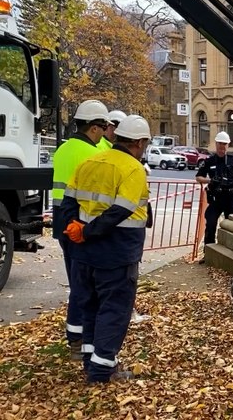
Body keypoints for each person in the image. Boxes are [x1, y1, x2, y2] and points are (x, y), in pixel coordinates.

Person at [60, 115, 152, 383]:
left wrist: (75, 231)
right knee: (114, 311)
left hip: (84, 252)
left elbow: (68, 203)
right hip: (117, 253)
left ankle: (91, 361)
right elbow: (119, 212)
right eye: (145, 142)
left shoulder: (89, 163)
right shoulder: (133, 169)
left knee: (90, 308)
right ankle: (101, 371)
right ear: (138, 142)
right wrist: (88, 232)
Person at [51, 99, 109, 360]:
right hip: (80, 224)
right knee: (83, 284)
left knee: (77, 281)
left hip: (62, 221)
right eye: (103, 127)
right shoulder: (92, 154)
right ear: (95, 128)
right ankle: (78, 339)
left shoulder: (63, 149)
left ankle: (78, 337)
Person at [195, 131, 233, 256]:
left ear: (228, 145)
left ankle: (231, 253)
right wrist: (210, 180)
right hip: (216, 199)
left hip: (230, 199)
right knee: (210, 225)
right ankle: (208, 253)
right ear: (216, 144)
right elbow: (198, 177)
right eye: (220, 144)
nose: (222, 147)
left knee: (232, 227)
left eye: (225, 145)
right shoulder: (210, 161)